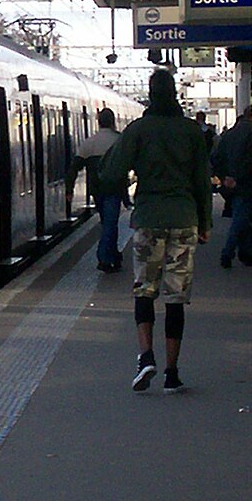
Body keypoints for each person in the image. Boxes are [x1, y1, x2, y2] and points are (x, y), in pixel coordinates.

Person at [100, 69, 212, 394]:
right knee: (176, 297)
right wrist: (205, 224)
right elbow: (203, 182)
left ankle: (145, 356)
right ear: (175, 92)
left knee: (144, 289)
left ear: (150, 93)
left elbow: (113, 171)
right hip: (184, 219)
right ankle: (172, 372)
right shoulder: (190, 131)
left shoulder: (139, 130)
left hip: (149, 219)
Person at [65, 108, 124, 272]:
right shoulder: (119, 140)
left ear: (98, 122)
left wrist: (69, 190)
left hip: (96, 190)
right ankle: (104, 257)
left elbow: (74, 168)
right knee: (110, 224)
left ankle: (113, 255)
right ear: (113, 121)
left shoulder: (89, 143)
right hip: (114, 189)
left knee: (108, 223)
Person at [211, 106, 252, 268]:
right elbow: (249, 160)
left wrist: (224, 177)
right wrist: (237, 178)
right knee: (240, 220)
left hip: (229, 185)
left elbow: (216, 157)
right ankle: (227, 253)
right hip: (246, 183)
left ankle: (245, 253)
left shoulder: (229, 134)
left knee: (242, 218)